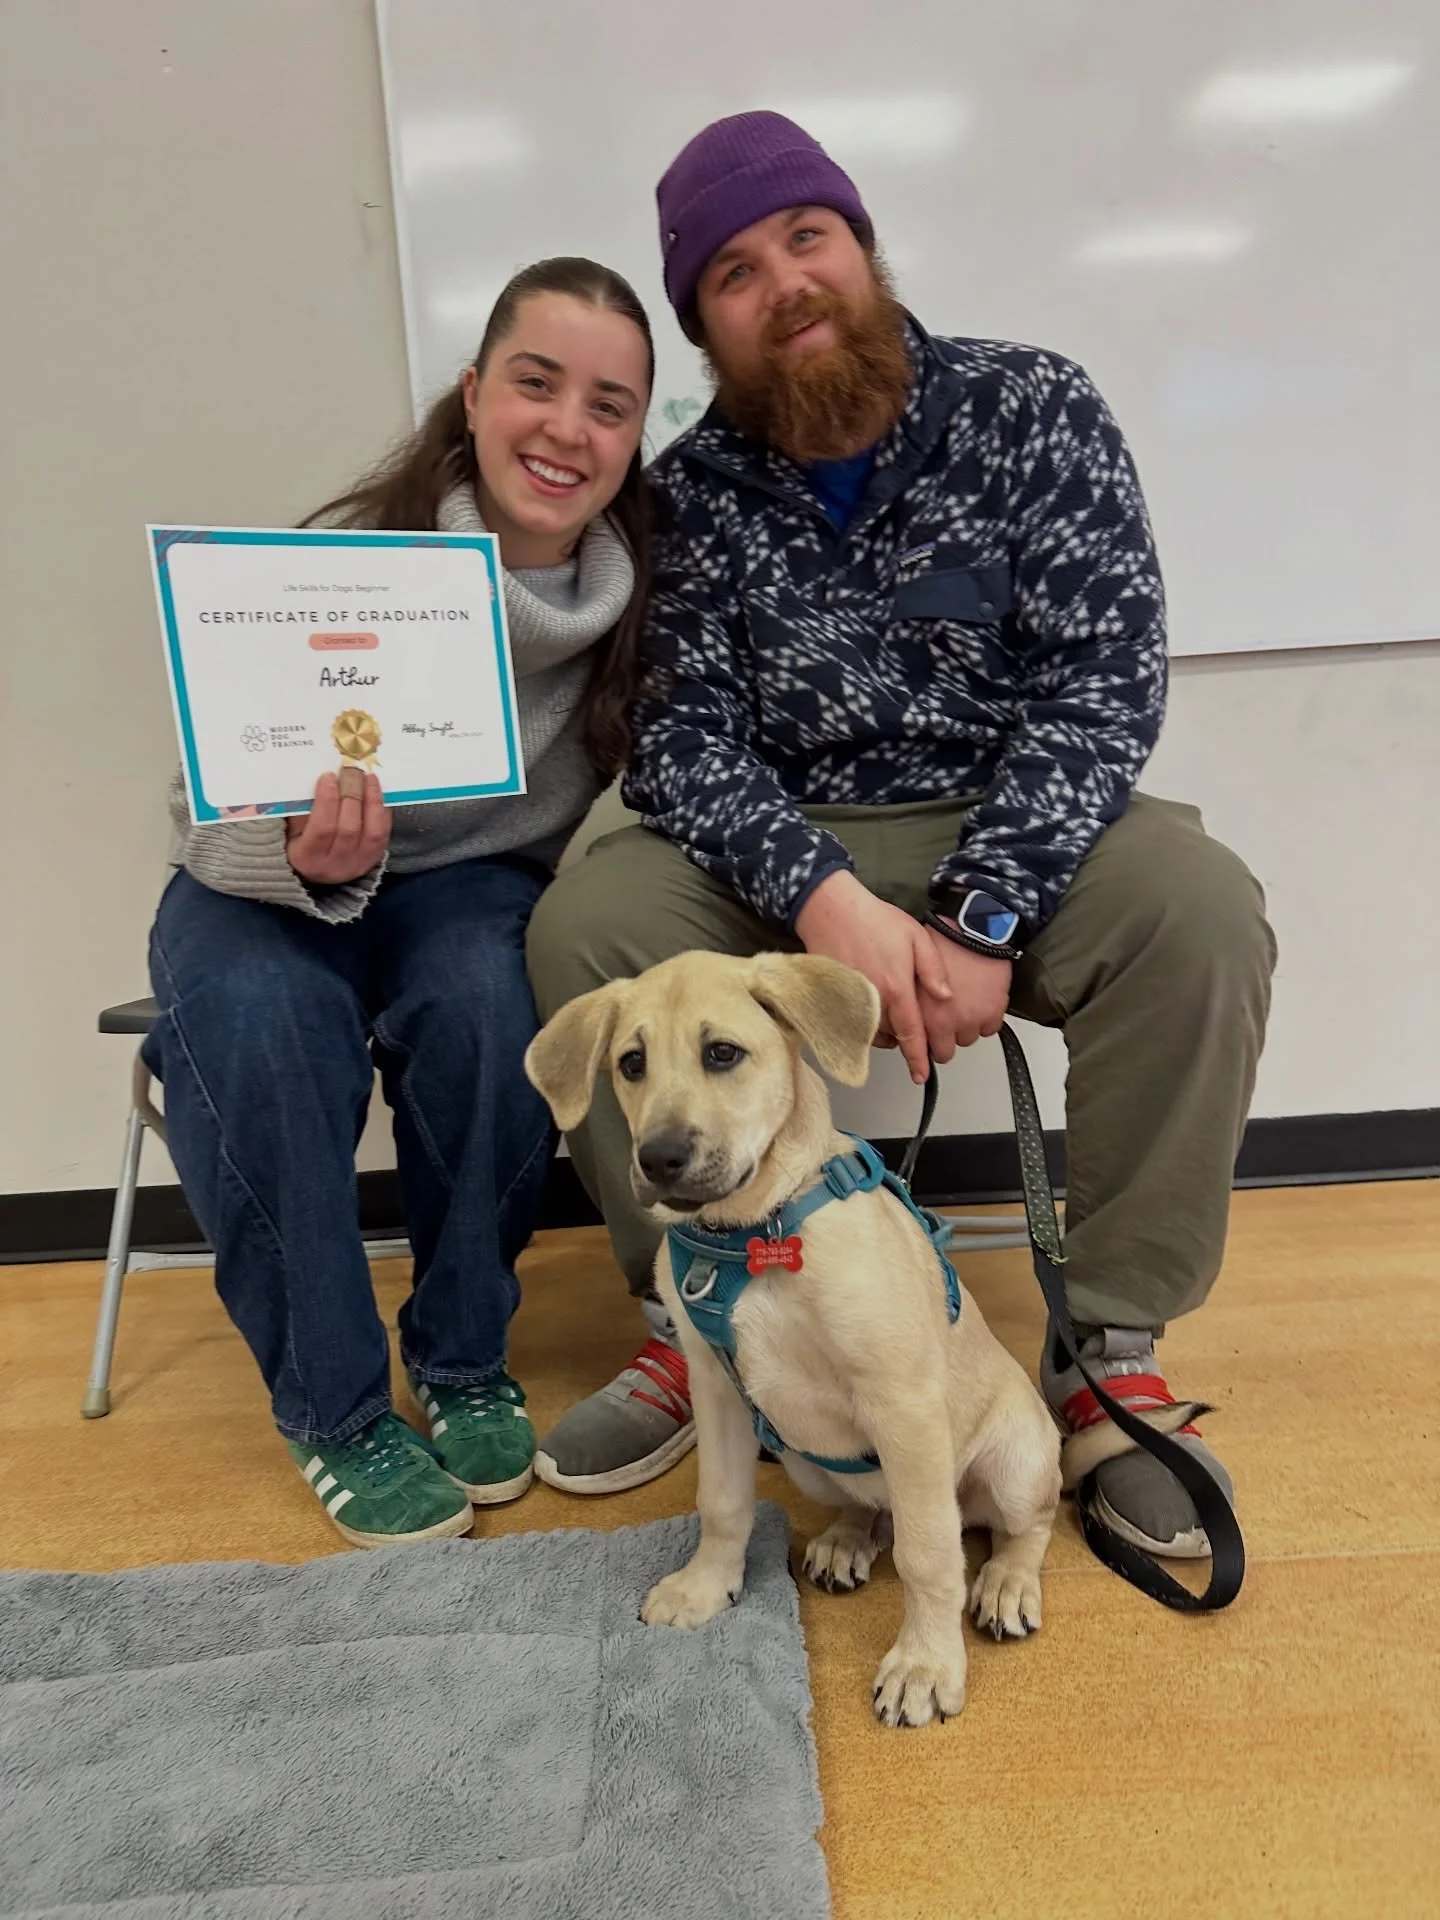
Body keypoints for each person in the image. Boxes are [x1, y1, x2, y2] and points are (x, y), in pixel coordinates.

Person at [526, 114, 1275, 1564]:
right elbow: (681, 737)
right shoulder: (688, 491)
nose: (786, 284)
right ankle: (698, 1312)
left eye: (807, 238)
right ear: (704, 331)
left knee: (1199, 915)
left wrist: (986, 911)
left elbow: (1102, 682)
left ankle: (1107, 1353)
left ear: (862, 248)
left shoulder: (1034, 407)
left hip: (1006, 819)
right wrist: (824, 901)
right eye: (735, 273)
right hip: (786, 844)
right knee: (591, 926)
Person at [145, 258, 654, 1547]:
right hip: (261, 880)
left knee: (494, 1002)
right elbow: (199, 803)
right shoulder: (342, 562)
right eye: (536, 384)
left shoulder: (648, 612)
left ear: (637, 436)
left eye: (608, 405)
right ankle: (333, 1409)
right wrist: (291, 854)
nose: (567, 429)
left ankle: (462, 1358)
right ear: (474, 395)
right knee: (261, 1022)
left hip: (469, 886)